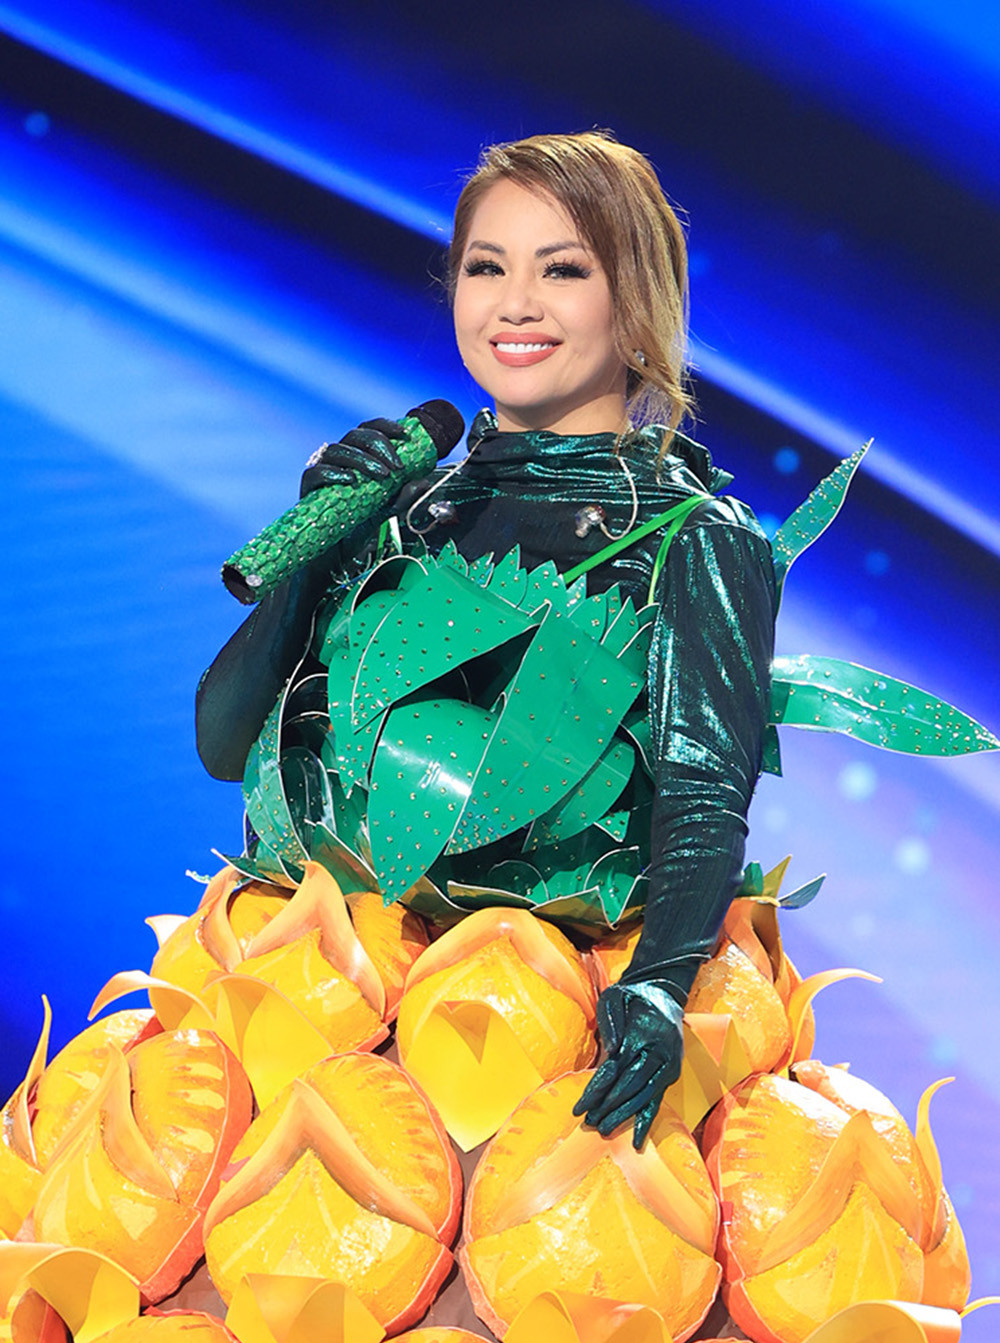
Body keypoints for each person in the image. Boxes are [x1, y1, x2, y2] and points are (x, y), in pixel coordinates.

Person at [198, 130, 776, 1147]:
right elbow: (221, 742)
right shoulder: (399, 502)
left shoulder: (695, 539)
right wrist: (312, 554)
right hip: (315, 1011)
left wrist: (655, 986)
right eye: (486, 267)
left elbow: (703, 793)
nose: (516, 304)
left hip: (543, 1033)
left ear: (637, 299)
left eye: (563, 270)